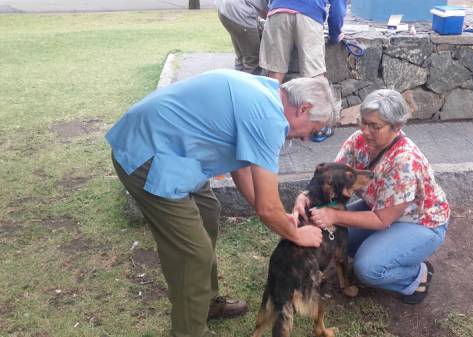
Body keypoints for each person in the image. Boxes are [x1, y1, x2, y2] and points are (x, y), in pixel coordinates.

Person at [106, 69, 338, 337]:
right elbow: (267, 208)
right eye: (313, 129)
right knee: (193, 252)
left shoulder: (268, 92)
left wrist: (275, 215)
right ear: (304, 109)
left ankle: (205, 302)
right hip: (146, 153)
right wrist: (296, 234)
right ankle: (190, 332)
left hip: (175, 150)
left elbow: (241, 166)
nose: (307, 138)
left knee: (208, 212)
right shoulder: (270, 119)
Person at [293, 89, 450, 304]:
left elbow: (382, 220)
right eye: (363, 122)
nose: (365, 131)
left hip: (420, 222)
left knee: (367, 269)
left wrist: (333, 216)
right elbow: (330, 178)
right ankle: (384, 252)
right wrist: (304, 197)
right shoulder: (358, 140)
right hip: (378, 209)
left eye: (374, 126)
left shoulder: (405, 161)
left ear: (397, 127)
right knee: (337, 242)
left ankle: (416, 275)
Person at [259, 0, 348, 141]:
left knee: (274, 77)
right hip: (309, 15)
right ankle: (320, 126)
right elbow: (338, 7)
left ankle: (266, 125)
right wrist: (335, 34)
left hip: (278, 12)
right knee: (315, 77)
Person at [216, 0, 269, 74]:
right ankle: (249, 83)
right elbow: (267, 13)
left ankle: (237, 80)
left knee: (241, 56)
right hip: (239, 13)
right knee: (253, 59)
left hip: (224, 11)